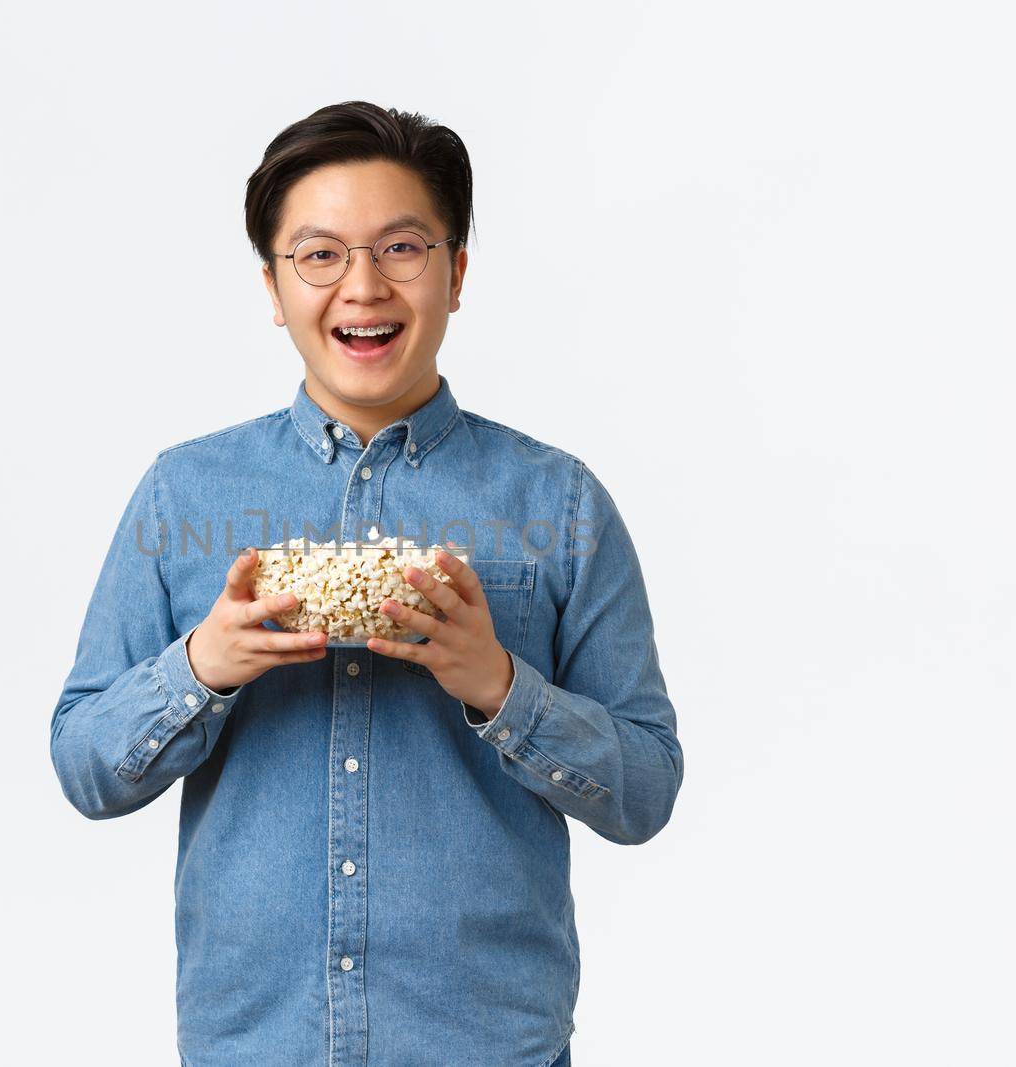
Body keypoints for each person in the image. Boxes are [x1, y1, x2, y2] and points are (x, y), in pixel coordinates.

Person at [49, 100, 683, 1067]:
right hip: (253, 1044)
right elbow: (85, 767)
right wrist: (204, 666)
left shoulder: (559, 503)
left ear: (457, 271)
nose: (362, 287)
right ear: (273, 283)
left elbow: (644, 790)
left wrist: (500, 688)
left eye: (400, 248)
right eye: (319, 254)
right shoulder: (185, 492)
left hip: (487, 1045)